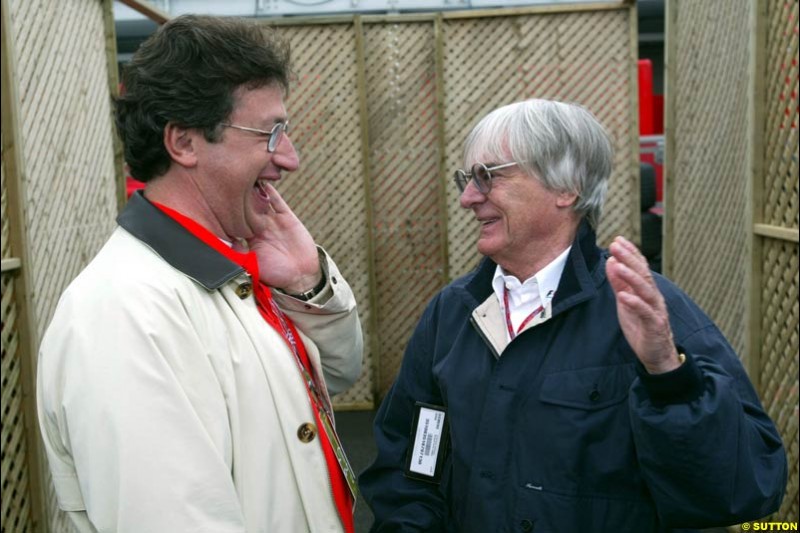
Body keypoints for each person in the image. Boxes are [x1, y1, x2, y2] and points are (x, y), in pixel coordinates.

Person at [359, 99, 786, 532]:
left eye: (488, 176)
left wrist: (667, 374)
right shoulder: (452, 313)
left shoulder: (643, 309)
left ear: (567, 188)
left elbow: (742, 488)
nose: (469, 197)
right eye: (467, 179)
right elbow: (410, 464)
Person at [36, 15, 363, 533]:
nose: (290, 158)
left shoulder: (223, 262)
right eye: (270, 132)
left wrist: (306, 283)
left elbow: (339, 374)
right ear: (184, 143)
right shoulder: (123, 315)